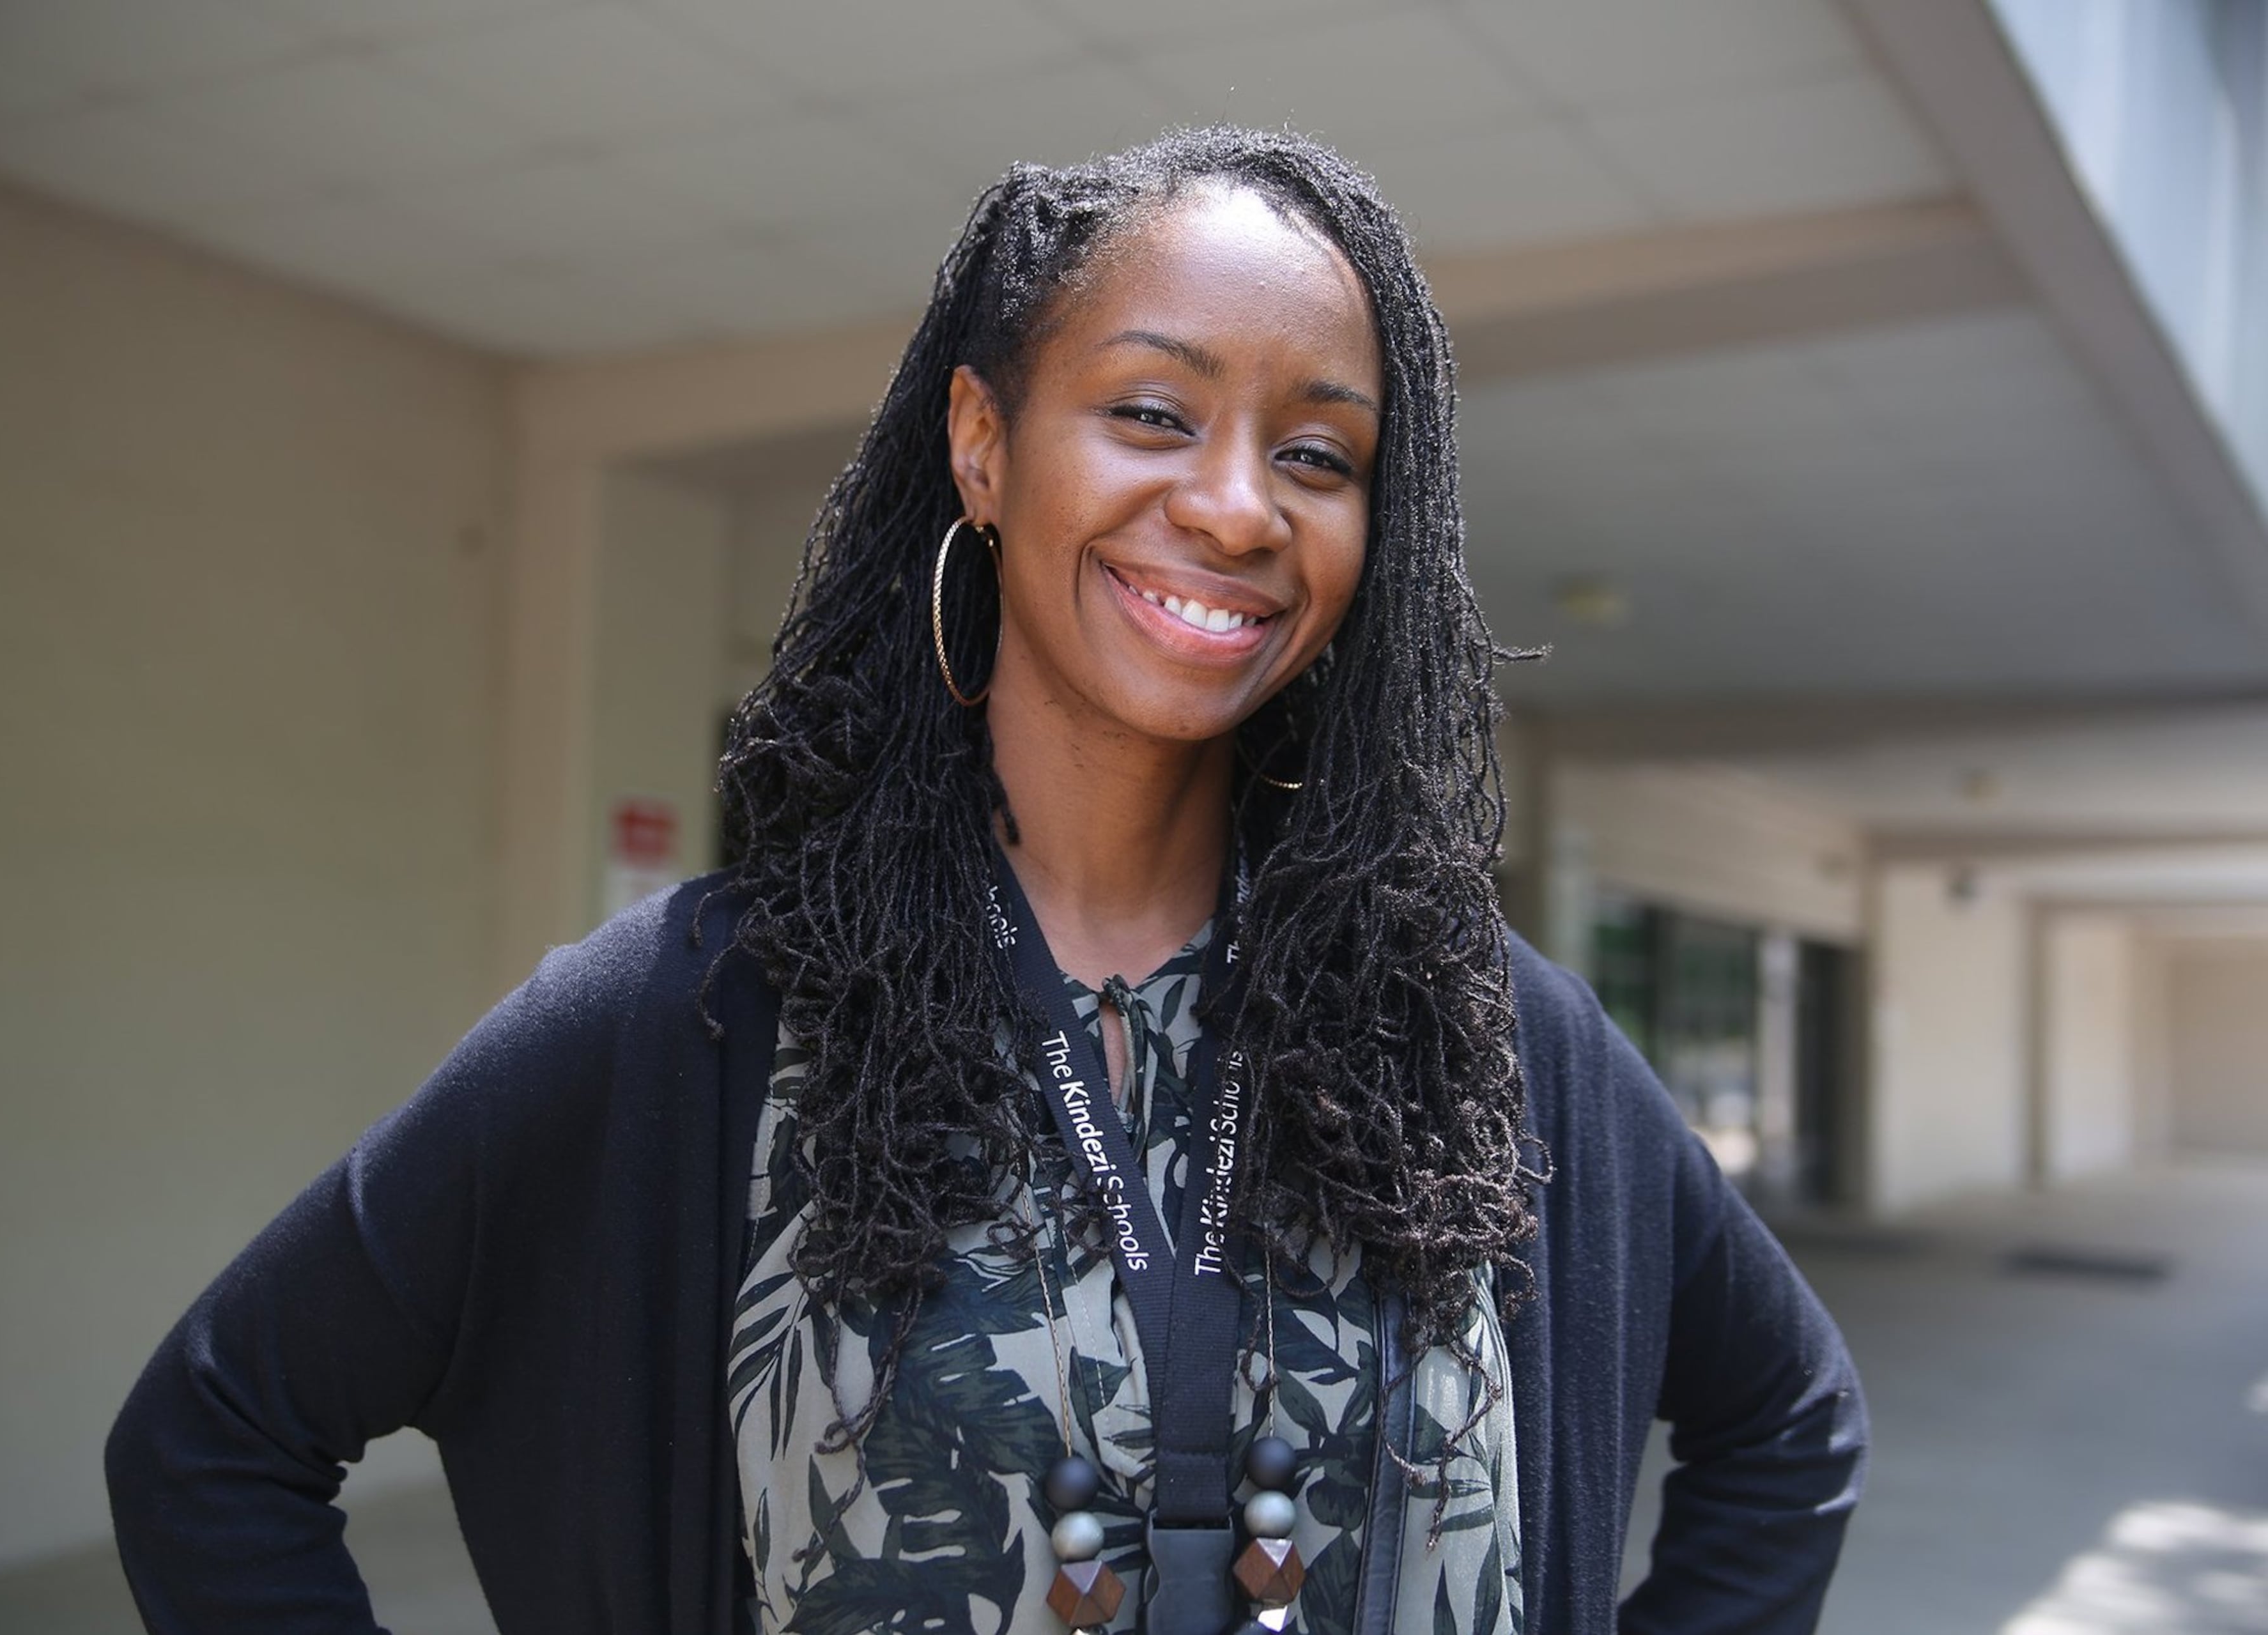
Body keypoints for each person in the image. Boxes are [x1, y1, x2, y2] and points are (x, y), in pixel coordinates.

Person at [106, 127, 1865, 1635]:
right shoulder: (702, 1018)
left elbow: (1789, 1423)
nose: (1239, 507)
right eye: (1154, 412)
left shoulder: (1477, 1037)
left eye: (1318, 454)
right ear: (982, 442)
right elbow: (215, 1435)